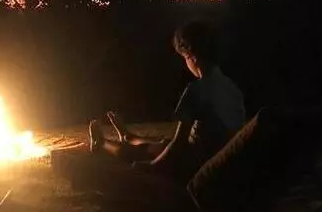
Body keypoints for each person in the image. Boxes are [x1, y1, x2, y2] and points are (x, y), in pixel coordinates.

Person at [87, 20, 245, 181]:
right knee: (163, 143)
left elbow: (179, 142)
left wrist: (153, 165)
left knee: (139, 152)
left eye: (184, 58)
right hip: (222, 158)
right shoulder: (232, 88)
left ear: (191, 56)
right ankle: (129, 137)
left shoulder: (196, 90)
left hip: (197, 162)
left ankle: (102, 143)